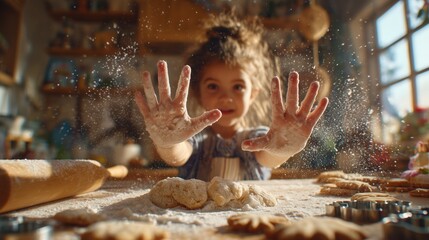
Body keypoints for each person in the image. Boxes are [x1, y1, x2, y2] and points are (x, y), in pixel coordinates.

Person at [134, 12, 329, 181]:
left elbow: (268, 154)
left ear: (252, 95)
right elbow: (179, 154)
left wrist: (284, 149)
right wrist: (169, 142)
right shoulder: (195, 141)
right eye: (213, 86)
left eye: (238, 87)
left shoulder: (259, 139)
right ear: (197, 93)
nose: (226, 97)